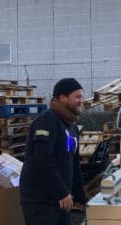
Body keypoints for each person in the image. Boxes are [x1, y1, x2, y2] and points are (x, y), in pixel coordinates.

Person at [20, 78, 86, 225]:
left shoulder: (72, 127)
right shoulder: (47, 120)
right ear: (63, 98)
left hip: (60, 201)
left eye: (81, 96)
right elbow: (42, 157)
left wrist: (81, 196)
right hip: (41, 201)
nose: (81, 100)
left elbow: (73, 164)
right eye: (77, 96)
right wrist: (61, 192)